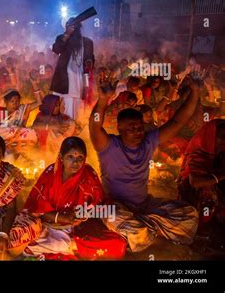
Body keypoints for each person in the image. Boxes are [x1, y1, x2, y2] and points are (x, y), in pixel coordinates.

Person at [89, 75, 201, 252]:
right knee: (122, 220)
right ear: (120, 128)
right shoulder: (109, 146)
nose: (138, 130)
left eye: (140, 126)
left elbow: (178, 121)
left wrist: (195, 91)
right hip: (116, 207)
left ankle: (144, 230)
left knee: (190, 215)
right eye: (132, 127)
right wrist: (103, 100)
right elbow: (95, 126)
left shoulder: (148, 142)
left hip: (144, 206)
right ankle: (144, 230)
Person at [23, 137, 126, 260]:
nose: (76, 163)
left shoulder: (88, 174)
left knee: (118, 243)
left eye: (80, 158)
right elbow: (36, 209)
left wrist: (84, 214)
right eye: (70, 157)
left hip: (77, 228)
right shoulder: (50, 174)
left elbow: (99, 205)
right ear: (61, 157)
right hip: (48, 227)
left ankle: (68, 246)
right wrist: (61, 217)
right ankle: (72, 247)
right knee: (25, 240)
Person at [178, 119, 225, 254]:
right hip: (193, 193)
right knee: (208, 195)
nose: (224, 141)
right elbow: (196, 182)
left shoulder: (219, 151)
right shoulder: (198, 153)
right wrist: (221, 176)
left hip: (212, 188)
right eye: (222, 137)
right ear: (210, 136)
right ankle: (200, 231)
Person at [50, 18, 94, 120]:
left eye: (74, 26)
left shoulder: (87, 42)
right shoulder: (62, 38)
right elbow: (57, 49)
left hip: (79, 78)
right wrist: (67, 34)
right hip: (64, 79)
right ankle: (65, 129)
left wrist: (89, 62)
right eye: (69, 26)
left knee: (78, 106)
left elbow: (91, 58)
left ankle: (74, 128)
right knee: (64, 104)